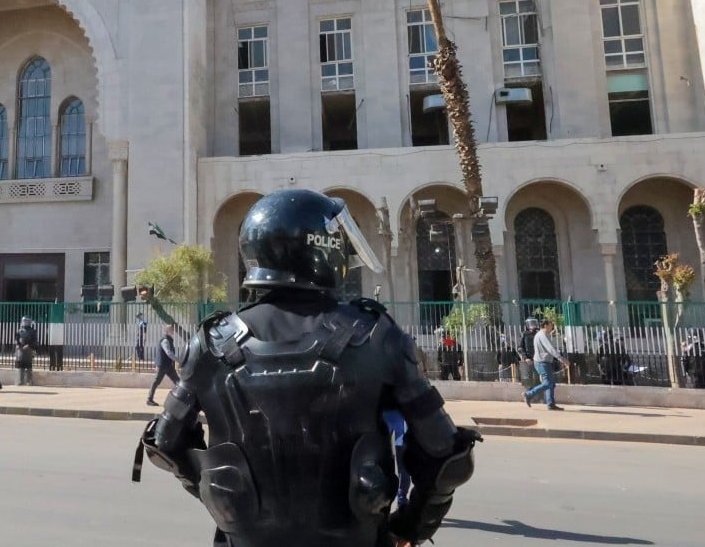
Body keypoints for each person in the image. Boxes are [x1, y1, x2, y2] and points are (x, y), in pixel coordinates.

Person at [136, 189, 479, 547]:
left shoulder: (211, 343)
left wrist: (226, 501)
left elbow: (165, 443)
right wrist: (409, 527)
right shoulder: (376, 334)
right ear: (319, 247)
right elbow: (446, 455)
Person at [523, 319, 569, 410]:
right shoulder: (542, 335)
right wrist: (562, 359)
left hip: (544, 362)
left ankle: (550, 404)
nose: (552, 326)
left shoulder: (543, 335)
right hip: (542, 362)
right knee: (548, 383)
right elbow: (551, 349)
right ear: (546, 325)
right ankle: (528, 394)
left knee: (551, 383)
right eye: (551, 324)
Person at [382, 410, 412, 510]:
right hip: (398, 414)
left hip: (387, 414)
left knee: (383, 460)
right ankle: (401, 498)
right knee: (402, 463)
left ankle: (399, 498)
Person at [145, 324, 179, 407]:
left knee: (178, 381)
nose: (173, 331)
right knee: (156, 381)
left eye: (172, 329)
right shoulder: (165, 341)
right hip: (163, 365)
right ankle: (149, 399)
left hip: (167, 365)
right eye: (171, 329)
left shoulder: (169, 340)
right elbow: (168, 352)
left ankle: (180, 398)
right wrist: (178, 360)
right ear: (167, 331)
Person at [14, 316, 39, 386]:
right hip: (20, 350)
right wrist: (17, 344)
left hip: (28, 350)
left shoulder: (32, 331)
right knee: (20, 366)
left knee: (28, 366)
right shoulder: (19, 330)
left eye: (26, 321)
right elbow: (16, 339)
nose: (24, 322)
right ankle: (19, 381)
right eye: (23, 321)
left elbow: (35, 341)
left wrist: (29, 345)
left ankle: (29, 381)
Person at [518, 317, 540, 385]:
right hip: (528, 360)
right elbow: (520, 348)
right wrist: (525, 357)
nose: (533, 325)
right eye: (531, 324)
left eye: (534, 323)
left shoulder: (539, 334)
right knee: (527, 378)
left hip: (538, 359)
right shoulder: (525, 334)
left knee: (537, 378)